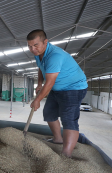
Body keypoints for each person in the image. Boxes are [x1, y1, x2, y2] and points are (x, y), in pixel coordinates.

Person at [26, 29, 88, 157]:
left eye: (36, 45)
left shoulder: (55, 56)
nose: (32, 49)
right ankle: (58, 139)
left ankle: (66, 154)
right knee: (49, 113)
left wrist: (37, 100)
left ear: (45, 42)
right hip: (57, 88)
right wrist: (39, 84)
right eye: (30, 46)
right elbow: (41, 68)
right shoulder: (38, 54)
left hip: (73, 88)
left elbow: (50, 83)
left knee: (68, 119)